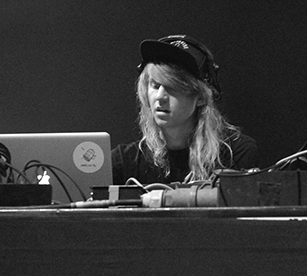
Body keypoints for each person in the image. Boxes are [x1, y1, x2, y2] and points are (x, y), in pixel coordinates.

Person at [111, 34, 259, 185]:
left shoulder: (236, 154)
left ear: (201, 96)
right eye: (154, 85)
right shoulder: (123, 162)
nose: (160, 96)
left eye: (173, 87)